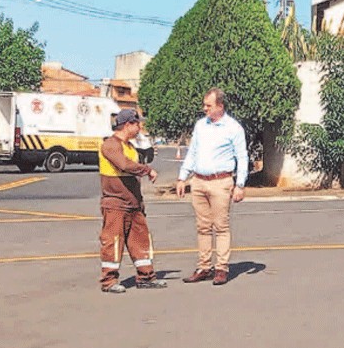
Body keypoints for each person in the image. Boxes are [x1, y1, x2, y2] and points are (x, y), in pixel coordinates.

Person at [176, 87, 249, 286]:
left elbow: (242, 157)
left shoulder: (233, 128)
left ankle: (222, 267)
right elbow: (193, 152)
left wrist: (240, 185)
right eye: (205, 105)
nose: (204, 109)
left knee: (221, 226)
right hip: (199, 181)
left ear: (220, 106)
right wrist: (183, 178)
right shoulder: (201, 126)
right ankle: (204, 266)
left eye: (209, 105)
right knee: (203, 227)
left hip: (221, 182)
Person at [97, 109, 167, 293]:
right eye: (137, 125)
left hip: (133, 203)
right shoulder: (110, 145)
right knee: (113, 242)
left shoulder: (130, 147)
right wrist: (147, 170)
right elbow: (125, 165)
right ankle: (109, 281)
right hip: (116, 204)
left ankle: (146, 276)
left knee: (141, 240)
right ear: (128, 124)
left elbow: (134, 168)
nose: (140, 128)